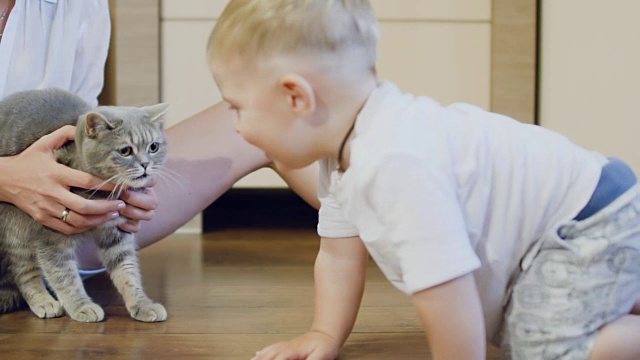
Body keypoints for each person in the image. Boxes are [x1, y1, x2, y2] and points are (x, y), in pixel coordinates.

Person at [206, 1, 640, 359]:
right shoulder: (342, 153)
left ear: (295, 96)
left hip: (591, 218)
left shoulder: (396, 163)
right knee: (512, 324)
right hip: (575, 219)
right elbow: (339, 255)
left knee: (539, 348)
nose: (237, 126)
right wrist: (323, 334)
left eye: (236, 106)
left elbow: (448, 293)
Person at [0, 0, 319, 273]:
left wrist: (115, 188)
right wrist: (10, 180)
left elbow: (80, 131)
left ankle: (363, 220)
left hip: (51, 227)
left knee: (259, 120)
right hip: (12, 228)